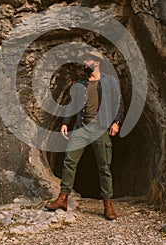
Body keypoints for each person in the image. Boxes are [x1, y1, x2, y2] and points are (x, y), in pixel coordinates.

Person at [45, 51, 124, 220]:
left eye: (89, 59)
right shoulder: (81, 83)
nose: (86, 62)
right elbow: (72, 104)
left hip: (100, 128)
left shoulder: (109, 82)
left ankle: (107, 205)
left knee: (104, 166)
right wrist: (66, 122)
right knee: (70, 161)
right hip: (81, 128)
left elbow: (118, 102)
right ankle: (63, 198)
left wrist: (116, 121)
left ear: (97, 62)